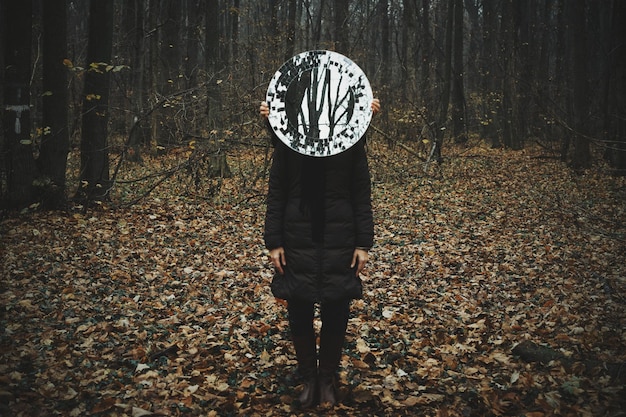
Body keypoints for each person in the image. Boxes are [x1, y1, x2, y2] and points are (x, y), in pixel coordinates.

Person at [260, 98, 380, 408]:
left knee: (336, 306)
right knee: (298, 305)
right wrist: (273, 242)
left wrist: (363, 244)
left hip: (340, 235)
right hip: (297, 234)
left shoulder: (349, 144)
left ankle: (326, 378)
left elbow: (361, 193)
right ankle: (309, 379)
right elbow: (276, 192)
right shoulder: (288, 145)